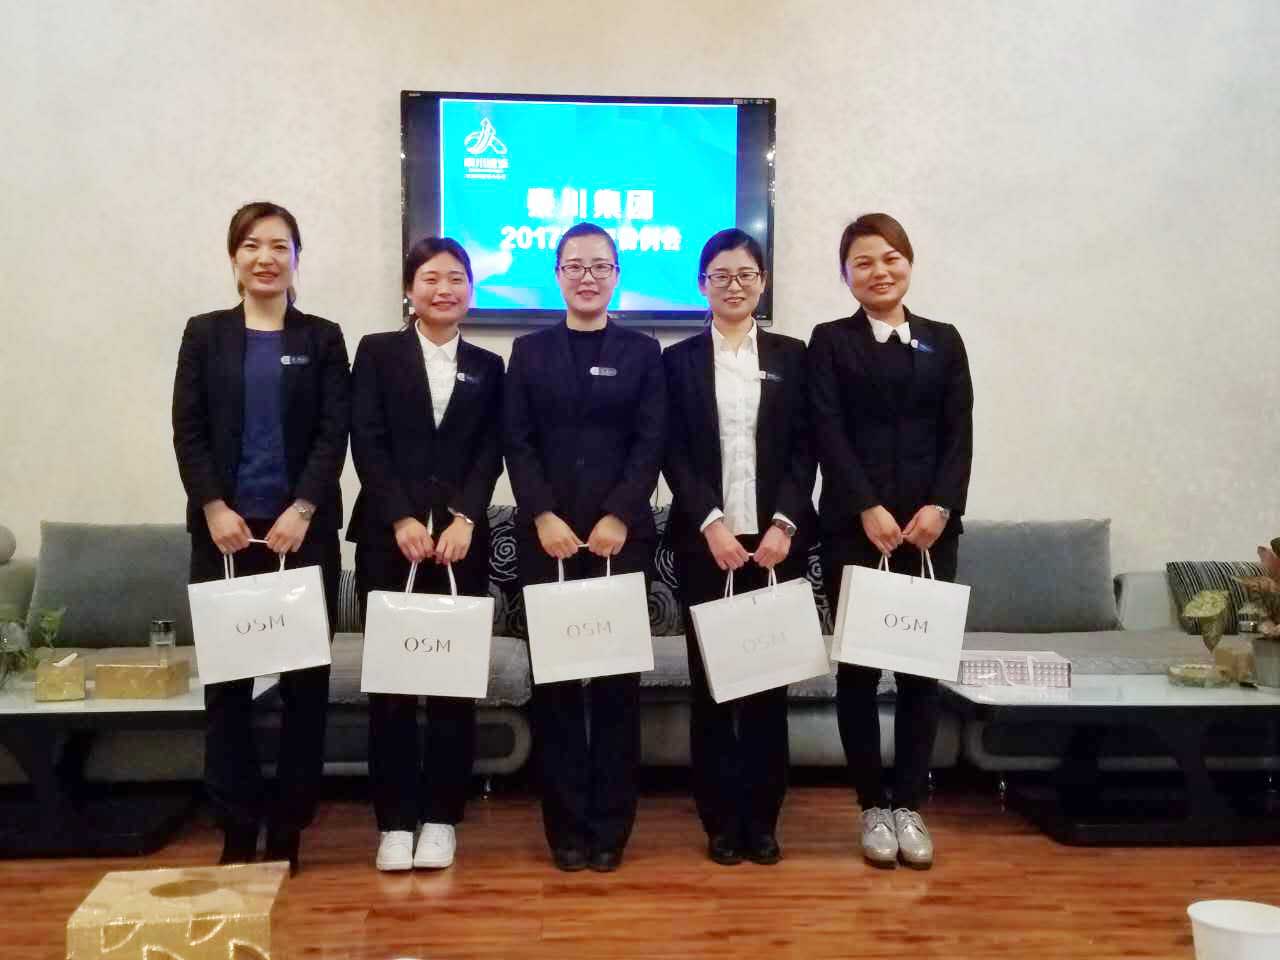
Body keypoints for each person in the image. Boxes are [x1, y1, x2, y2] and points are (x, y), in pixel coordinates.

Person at [172, 201, 350, 873]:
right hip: (222, 538)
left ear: (297, 258)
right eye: (251, 245)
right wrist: (214, 507)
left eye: (279, 245)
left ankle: (289, 825)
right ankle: (237, 824)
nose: (265, 257)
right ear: (234, 257)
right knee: (228, 690)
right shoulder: (205, 334)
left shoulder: (322, 338)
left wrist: (302, 509)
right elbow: (188, 429)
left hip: (299, 539)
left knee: (304, 689)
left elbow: (334, 433)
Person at [808, 213, 973, 869]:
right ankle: (871, 806)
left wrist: (941, 506)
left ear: (908, 261)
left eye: (890, 258)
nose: (879, 271)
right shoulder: (830, 342)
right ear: (845, 275)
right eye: (863, 262)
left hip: (930, 534)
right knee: (857, 673)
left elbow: (959, 433)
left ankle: (909, 804)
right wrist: (866, 506)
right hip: (856, 531)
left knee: (920, 673)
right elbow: (827, 432)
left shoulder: (944, 340)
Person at [504, 221, 665, 873]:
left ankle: (611, 828)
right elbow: (517, 442)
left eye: (600, 265)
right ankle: (566, 829)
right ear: (557, 275)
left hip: (619, 544)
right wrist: (543, 515)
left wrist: (619, 516)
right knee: (559, 690)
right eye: (575, 265)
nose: (588, 276)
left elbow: (651, 441)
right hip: (548, 545)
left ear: (618, 275)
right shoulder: (528, 352)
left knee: (616, 690)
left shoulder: (644, 352)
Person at [347, 236, 504, 872]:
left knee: (451, 686)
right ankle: (393, 820)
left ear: (471, 290)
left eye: (456, 279)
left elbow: (491, 450)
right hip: (390, 541)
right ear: (409, 289)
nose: (445, 289)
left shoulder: (489, 366)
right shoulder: (377, 353)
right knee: (391, 685)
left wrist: (466, 517)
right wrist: (401, 517)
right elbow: (367, 440)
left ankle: (441, 817)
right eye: (431, 278)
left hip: (460, 546)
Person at [662, 229, 816, 866]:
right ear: (702, 284)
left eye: (746, 274)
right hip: (708, 544)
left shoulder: (792, 355)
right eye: (720, 275)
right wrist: (711, 524)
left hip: (776, 543)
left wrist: (784, 525)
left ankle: (763, 818)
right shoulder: (676, 360)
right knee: (713, 686)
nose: (734, 285)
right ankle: (720, 820)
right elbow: (672, 450)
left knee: (768, 686)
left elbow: (806, 447)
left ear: (763, 282)